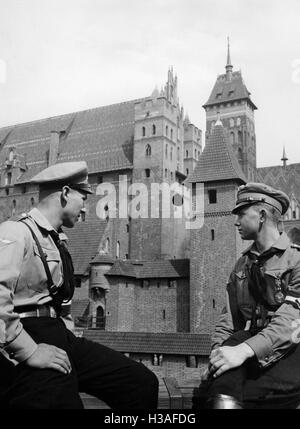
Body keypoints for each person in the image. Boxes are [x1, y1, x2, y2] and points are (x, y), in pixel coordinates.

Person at [0, 161, 158, 409]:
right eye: (83, 197)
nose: (86, 207)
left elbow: (60, 302)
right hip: (28, 333)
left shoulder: (57, 240)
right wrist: (29, 351)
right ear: (64, 193)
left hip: (60, 336)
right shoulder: (15, 232)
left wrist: (68, 332)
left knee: (140, 382)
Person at [194, 182, 300, 409]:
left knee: (246, 397)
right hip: (251, 349)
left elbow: (290, 324)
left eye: (242, 214)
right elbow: (229, 321)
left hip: (292, 350)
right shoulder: (242, 265)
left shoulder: (297, 260)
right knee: (205, 396)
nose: (236, 221)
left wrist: (242, 351)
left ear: (262, 215)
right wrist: (217, 359)